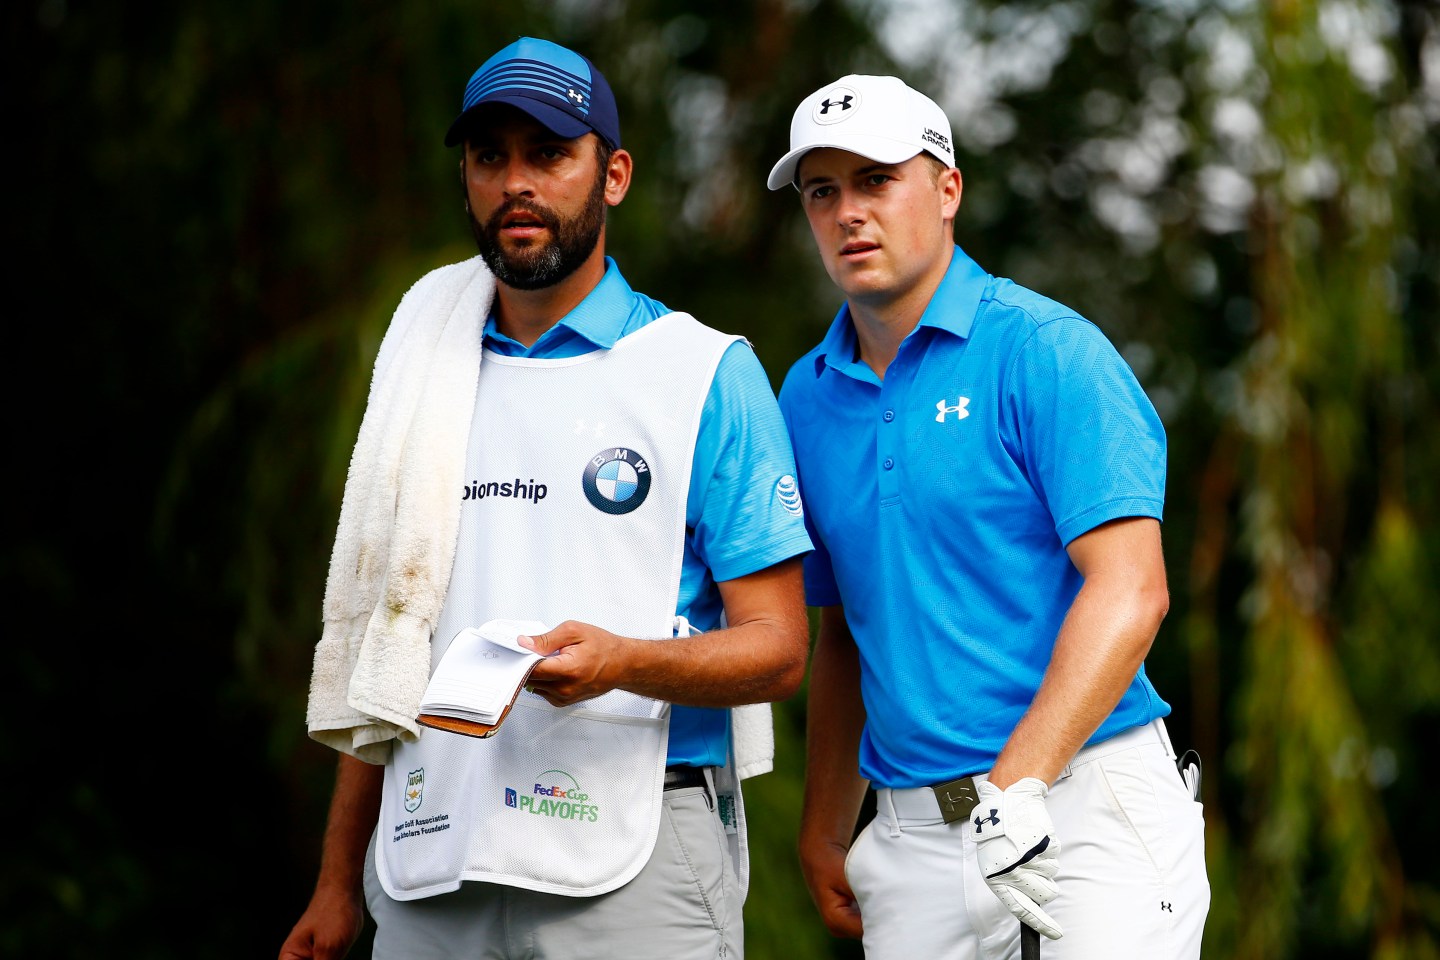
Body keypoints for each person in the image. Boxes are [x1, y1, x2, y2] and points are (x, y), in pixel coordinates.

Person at [280, 37, 813, 960]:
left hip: (634, 850)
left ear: (612, 174)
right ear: (466, 179)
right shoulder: (423, 370)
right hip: (429, 849)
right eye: (490, 157)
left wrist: (620, 661)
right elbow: (387, 641)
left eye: (549, 154)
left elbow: (778, 650)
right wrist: (336, 883)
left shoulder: (702, 373)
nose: (515, 182)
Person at [766, 74, 1210, 959]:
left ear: (947, 188)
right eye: (824, 191)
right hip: (907, 844)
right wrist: (826, 824)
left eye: (877, 180)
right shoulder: (805, 398)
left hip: (1084, 812)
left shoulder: (1045, 351)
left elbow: (1131, 590)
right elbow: (849, 629)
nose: (849, 212)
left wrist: (1018, 788)